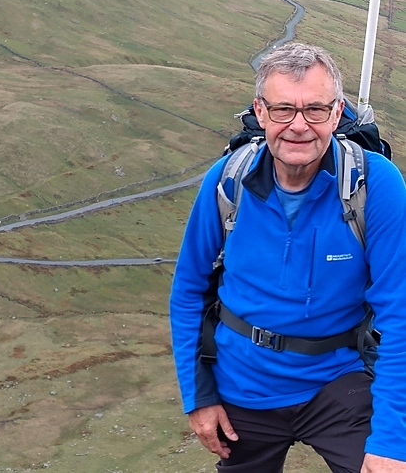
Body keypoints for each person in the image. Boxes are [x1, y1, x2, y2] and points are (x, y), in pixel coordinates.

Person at [169, 42, 406, 472]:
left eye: (315, 110)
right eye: (283, 110)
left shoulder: (375, 185)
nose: (299, 125)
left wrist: (393, 441)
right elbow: (188, 290)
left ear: (336, 114)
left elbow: (401, 313)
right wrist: (199, 396)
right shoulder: (226, 182)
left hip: (340, 382)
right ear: (260, 113)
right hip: (242, 385)